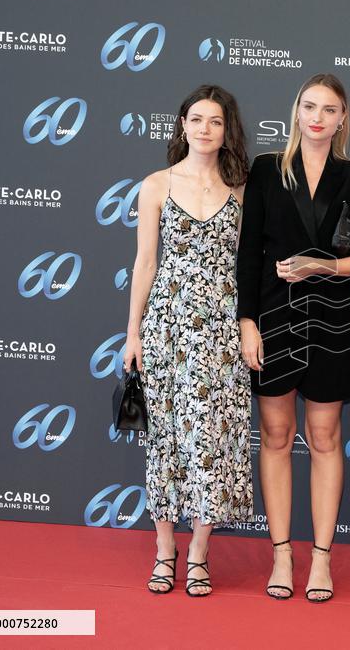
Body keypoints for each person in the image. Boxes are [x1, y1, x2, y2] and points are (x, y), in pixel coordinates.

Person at [236, 73, 350, 603]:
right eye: (309, 106)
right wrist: (246, 322)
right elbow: (249, 252)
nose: (318, 117)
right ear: (296, 111)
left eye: (329, 108)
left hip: (329, 321)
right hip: (273, 320)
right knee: (276, 437)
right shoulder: (264, 170)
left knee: (325, 439)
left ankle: (321, 559)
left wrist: (322, 267)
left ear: (343, 117)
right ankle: (283, 554)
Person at [123, 84, 253, 597]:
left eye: (215, 121)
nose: (204, 129)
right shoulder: (155, 185)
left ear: (227, 131)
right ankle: (164, 549)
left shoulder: (242, 188)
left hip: (221, 333)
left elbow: (247, 265)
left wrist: (247, 324)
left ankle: (199, 552)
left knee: (212, 441)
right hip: (166, 331)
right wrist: (132, 332)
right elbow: (145, 263)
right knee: (166, 440)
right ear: (182, 125)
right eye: (196, 119)